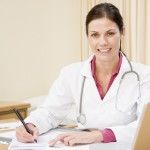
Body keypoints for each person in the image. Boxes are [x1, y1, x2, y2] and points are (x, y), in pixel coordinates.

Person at [16, 2, 150, 146]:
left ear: (122, 32)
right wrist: (31, 125)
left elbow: (146, 127)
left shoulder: (144, 75)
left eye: (110, 33)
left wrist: (99, 135)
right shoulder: (71, 73)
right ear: (87, 36)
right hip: (83, 147)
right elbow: (50, 111)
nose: (103, 42)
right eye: (95, 35)